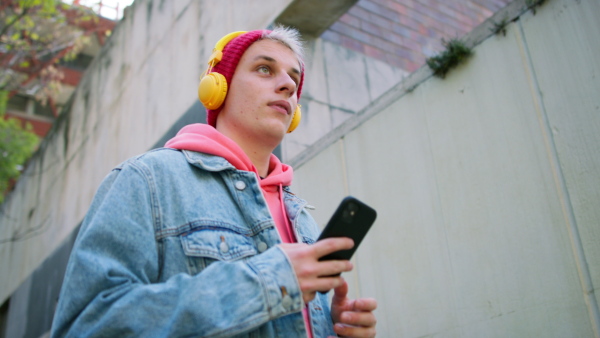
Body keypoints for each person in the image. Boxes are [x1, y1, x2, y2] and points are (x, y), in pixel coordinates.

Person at [51, 26, 377, 337]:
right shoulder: (148, 180)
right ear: (217, 88)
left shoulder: (302, 218)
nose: (288, 86)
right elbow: (88, 324)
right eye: (265, 69)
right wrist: (267, 281)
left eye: (294, 78)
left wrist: (332, 329)